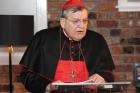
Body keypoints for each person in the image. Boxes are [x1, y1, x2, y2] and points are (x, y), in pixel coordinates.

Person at [19, 0, 115, 93]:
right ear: (63, 22)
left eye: (85, 21)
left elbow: (108, 73)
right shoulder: (42, 38)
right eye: (75, 21)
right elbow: (27, 75)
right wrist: (47, 86)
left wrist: (102, 77)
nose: (81, 26)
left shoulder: (97, 40)